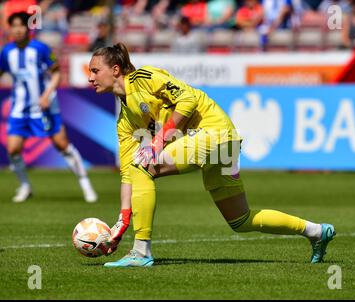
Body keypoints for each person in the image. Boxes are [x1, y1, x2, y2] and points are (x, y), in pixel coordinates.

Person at [88, 42, 336, 267]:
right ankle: (316, 231)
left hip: (213, 133)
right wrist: (122, 219)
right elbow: (126, 172)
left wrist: (158, 140)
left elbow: (187, 100)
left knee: (144, 166)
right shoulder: (124, 120)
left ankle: (141, 252)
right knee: (240, 220)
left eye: (95, 71)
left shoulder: (145, 78)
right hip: (224, 144)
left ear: (116, 69)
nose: (90, 78)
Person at [0, 12, 97, 203]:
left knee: (62, 145)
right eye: (14, 26)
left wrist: (46, 94)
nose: (18, 30)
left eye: (21, 26)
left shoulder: (40, 48)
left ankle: (86, 185)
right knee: (13, 149)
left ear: (28, 29)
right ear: (10, 29)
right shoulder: (6, 52)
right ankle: (25, 186)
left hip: (44, 106)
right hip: (20, 108)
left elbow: (56, 73)